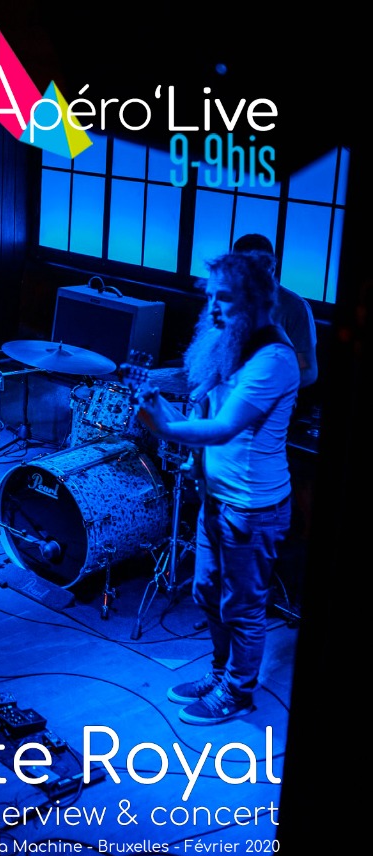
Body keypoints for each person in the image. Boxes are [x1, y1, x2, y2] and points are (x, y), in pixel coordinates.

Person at [133, 250, 299, 725]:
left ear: (254, 300)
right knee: (207, 591)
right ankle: (223, 672)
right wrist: (161, 404)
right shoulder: (230, 343)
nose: (213, 308)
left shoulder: (274, 358)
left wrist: (164, 426)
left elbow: (225, 429)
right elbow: (204, 406)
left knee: (242, 605)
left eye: (223, 298)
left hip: (252, 508)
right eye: (210, 297)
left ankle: (238, 691)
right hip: (216, 498)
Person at [232, 233, 318, 388]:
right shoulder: (231, 299)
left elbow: (308, 371)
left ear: (270, 268)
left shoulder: (294, 307)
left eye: (252, 268)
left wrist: (265, 387)